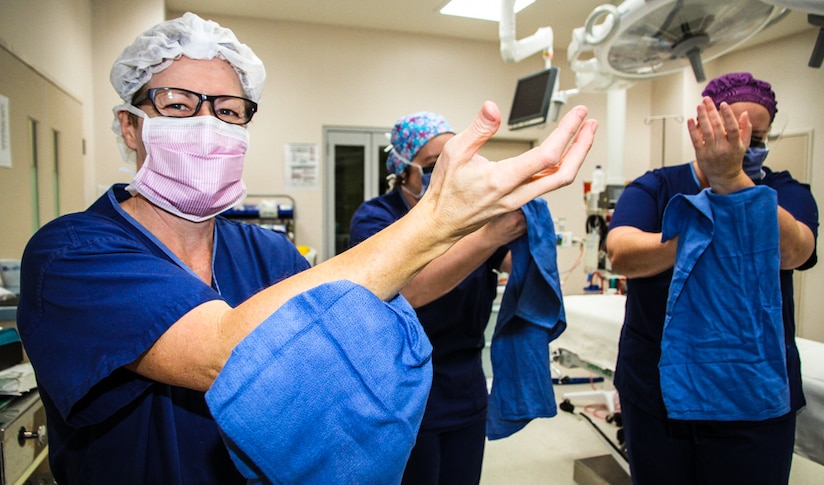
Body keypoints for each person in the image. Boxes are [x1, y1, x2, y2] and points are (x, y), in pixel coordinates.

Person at [15, 12, 598, 485]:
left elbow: (356, 337)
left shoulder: (265, 253)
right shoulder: (72, 255)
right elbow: (225, 351)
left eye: (228, 111)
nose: (208, 125)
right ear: (130, 126)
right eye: (177, 104)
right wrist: (440, 221)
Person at [606, 72, 818, 484]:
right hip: (658, 392)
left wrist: (731, 182)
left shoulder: (785, 190)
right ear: (701, 128)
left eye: (755, 139)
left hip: (753, 395)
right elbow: (621, 254)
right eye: (730, 131)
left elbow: (796, 251)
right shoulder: (658, 186)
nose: (741, 146)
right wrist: (704, 233)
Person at [348, 112, 525, 484]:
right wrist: (489, 236)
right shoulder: (377, 218)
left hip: (465, 387)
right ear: (403, 171)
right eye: (432, 166)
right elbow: (408, 289)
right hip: (402, 394)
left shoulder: (471, 217)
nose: (446, 176)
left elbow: (521, 264)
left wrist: (525, 218)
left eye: (454, 164)